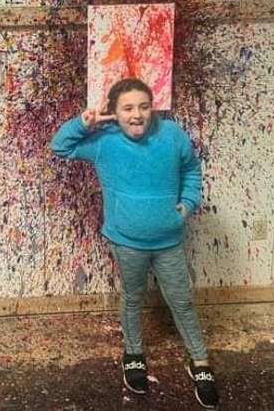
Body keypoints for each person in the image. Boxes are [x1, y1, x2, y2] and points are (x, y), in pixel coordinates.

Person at [50, 78, 218, 409]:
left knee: (181, 301)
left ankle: (200, 362)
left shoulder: (172, 134)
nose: (137, 114)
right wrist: (83, 123)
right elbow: (60, 147)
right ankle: (134, 354)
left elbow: (192, 169)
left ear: (152, 107)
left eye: (144, 106)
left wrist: (187, 204)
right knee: (132, 298)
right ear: (114, 112)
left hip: (168, 240)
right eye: (127, 108)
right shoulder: (104, 140)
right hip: (126, 242)